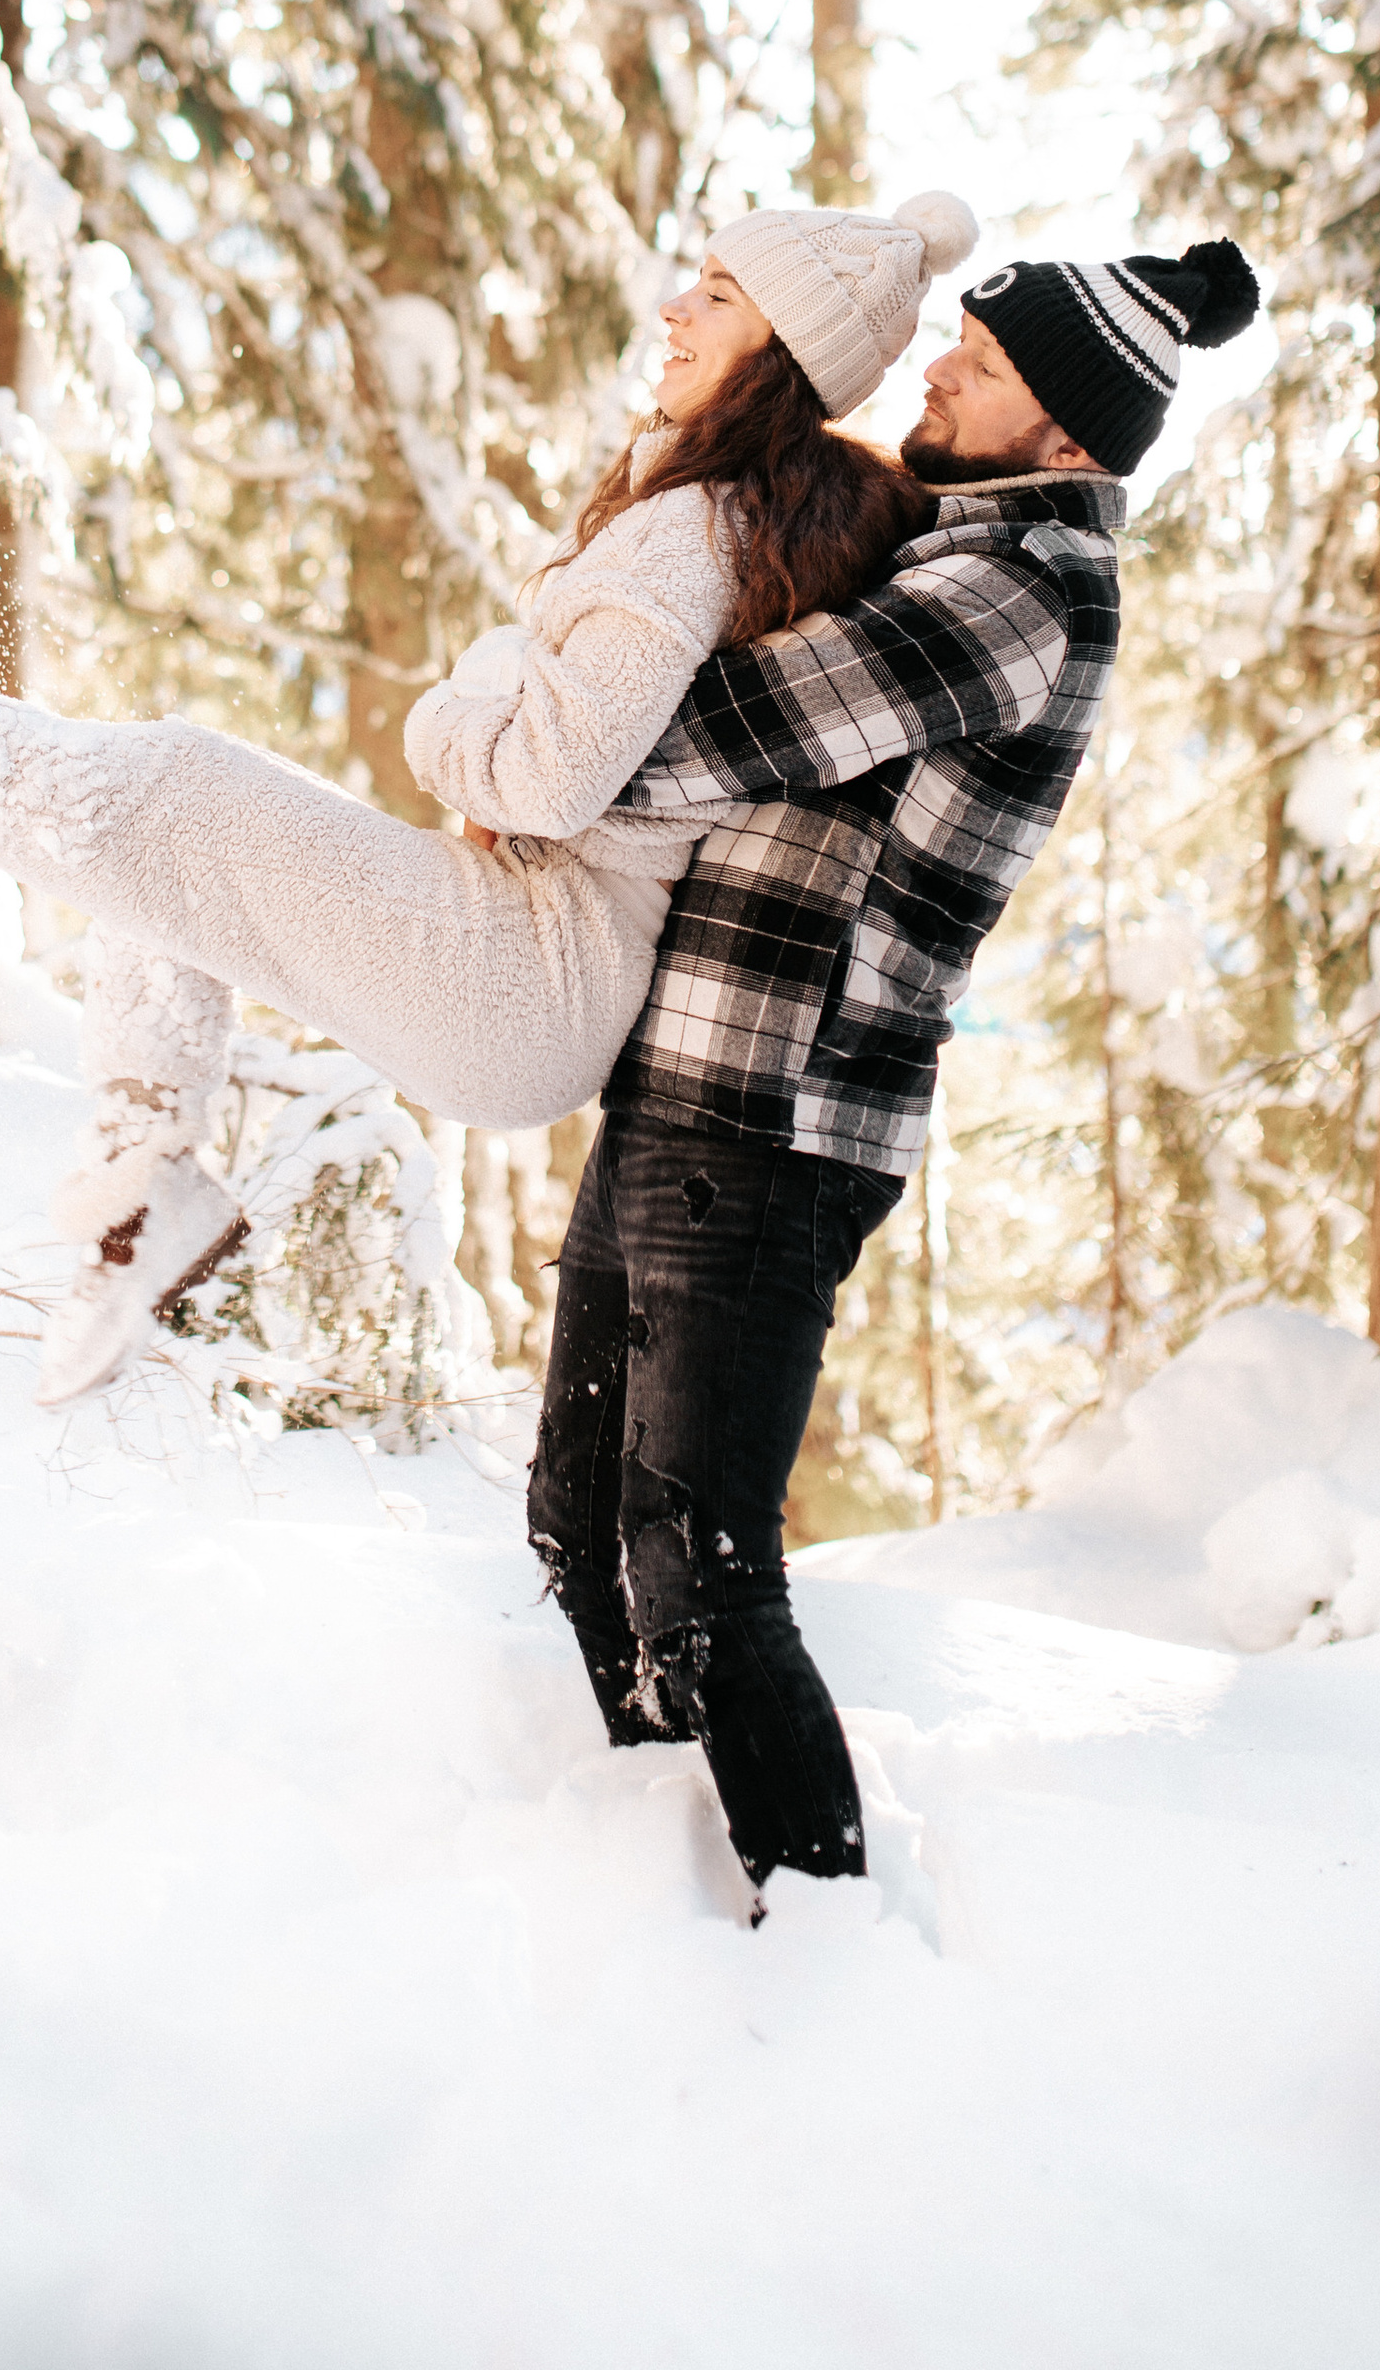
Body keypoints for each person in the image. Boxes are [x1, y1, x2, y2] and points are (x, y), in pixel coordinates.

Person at [0, 192, 977, 1400]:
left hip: (530, 967)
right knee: (159, 860)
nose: (679, 306)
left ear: (778, 358)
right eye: (695, 278)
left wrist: (453, 712)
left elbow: (550, 776)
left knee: (170, 792)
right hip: (533, 966)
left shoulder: (692, 531)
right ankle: (137, 1190)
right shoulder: (726, 518)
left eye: (720, 298)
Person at [527, 235, 1260, 1911]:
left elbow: (711, 740)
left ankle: (823, 1932)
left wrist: (547, 744)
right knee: (578, 1521)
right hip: (685, 1088)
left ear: (1065, 439)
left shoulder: (1018, 594)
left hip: (773, 1120)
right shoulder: (932, 552)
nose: (935, 372)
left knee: (704, 1574)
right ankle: (661, 1879)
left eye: (981, 369)